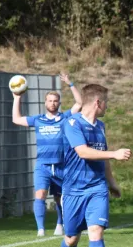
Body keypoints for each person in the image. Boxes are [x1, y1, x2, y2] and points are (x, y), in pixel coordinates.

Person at [60, 84, 132, 247]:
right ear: (98, 103)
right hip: (73, 190)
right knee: (71, 239)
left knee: (96, 230)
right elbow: (83, 152)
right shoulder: (72, 123)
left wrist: (112, 183)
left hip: (97, 188)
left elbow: (103, 158)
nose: (107, 107)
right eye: (106, 103)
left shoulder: (100, 126)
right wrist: (114, 153)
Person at [12, 72, 82, 237]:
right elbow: (16, 119)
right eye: (50, 100)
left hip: (61, 165)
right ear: (45, 103)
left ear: (59, 102)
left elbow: (79, 103)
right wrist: (17, 97)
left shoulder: (65, 118)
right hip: (43, 165)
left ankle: (60, 223)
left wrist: (70, 83)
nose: (52, 103)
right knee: (40, 194)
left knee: (60, 198)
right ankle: (40, 230)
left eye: (55, 100)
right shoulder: (38, 120)